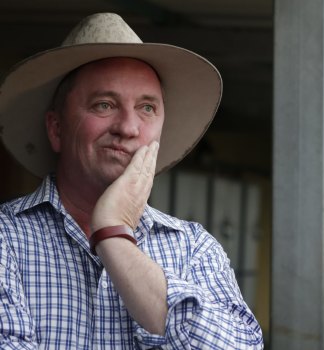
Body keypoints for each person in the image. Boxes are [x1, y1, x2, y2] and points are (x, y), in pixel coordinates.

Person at [0, 13, 263, 349]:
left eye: (147, 108)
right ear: (57, 129)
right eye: (104, 104)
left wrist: (114, 233)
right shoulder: (6, 239)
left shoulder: (194, 249)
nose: (128, 127)